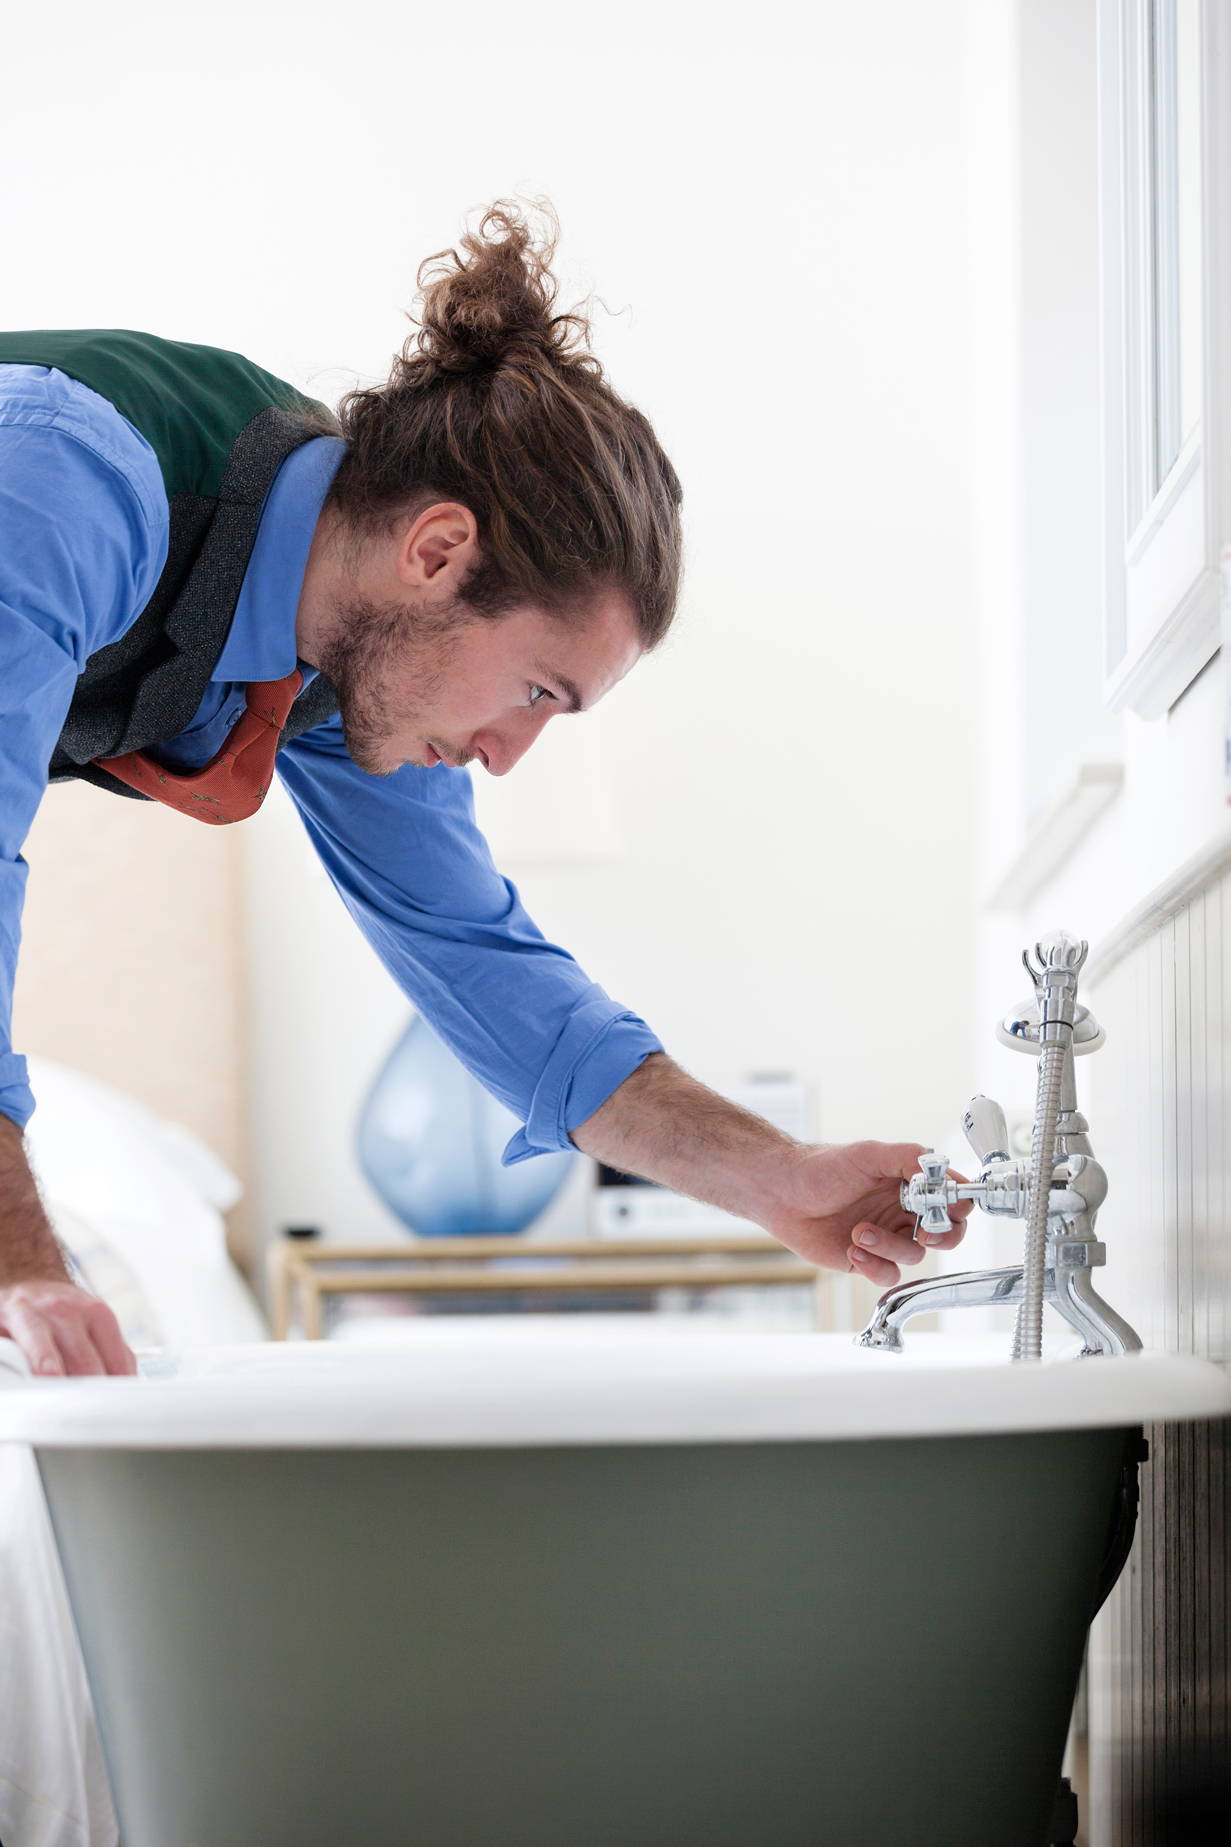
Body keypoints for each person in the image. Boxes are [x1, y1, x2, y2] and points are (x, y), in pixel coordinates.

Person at [0, 199, 969, 1377]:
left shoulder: (330, 651)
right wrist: (21, 1256)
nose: (508, 756)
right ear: (437, 552)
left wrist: (777, 1175)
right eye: (537, 693)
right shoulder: (63, 479)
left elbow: (489, 970)